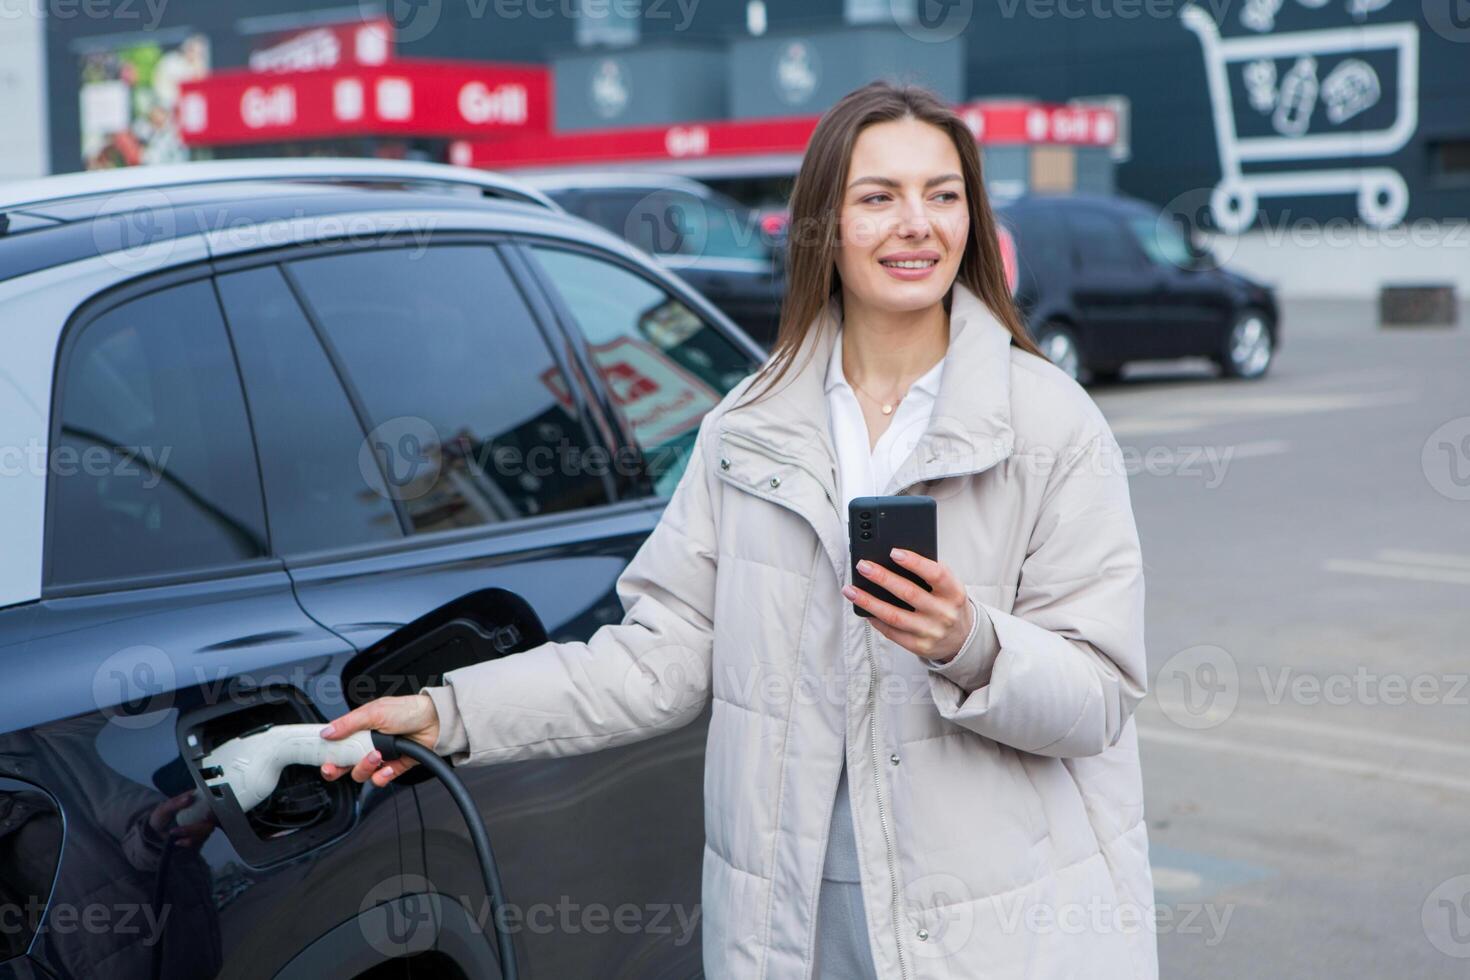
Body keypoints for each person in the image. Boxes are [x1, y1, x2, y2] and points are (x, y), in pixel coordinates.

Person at [321, 79, 1157, 980]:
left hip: (1003, 930)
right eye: (878, 197)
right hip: (797, 923)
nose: (917, 223)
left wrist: (970, 643)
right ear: (823, 227)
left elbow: (1100, 693)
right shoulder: (748, 428)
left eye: (942, 195)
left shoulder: (1050, 424)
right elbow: (654, 658)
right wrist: (451, 712)